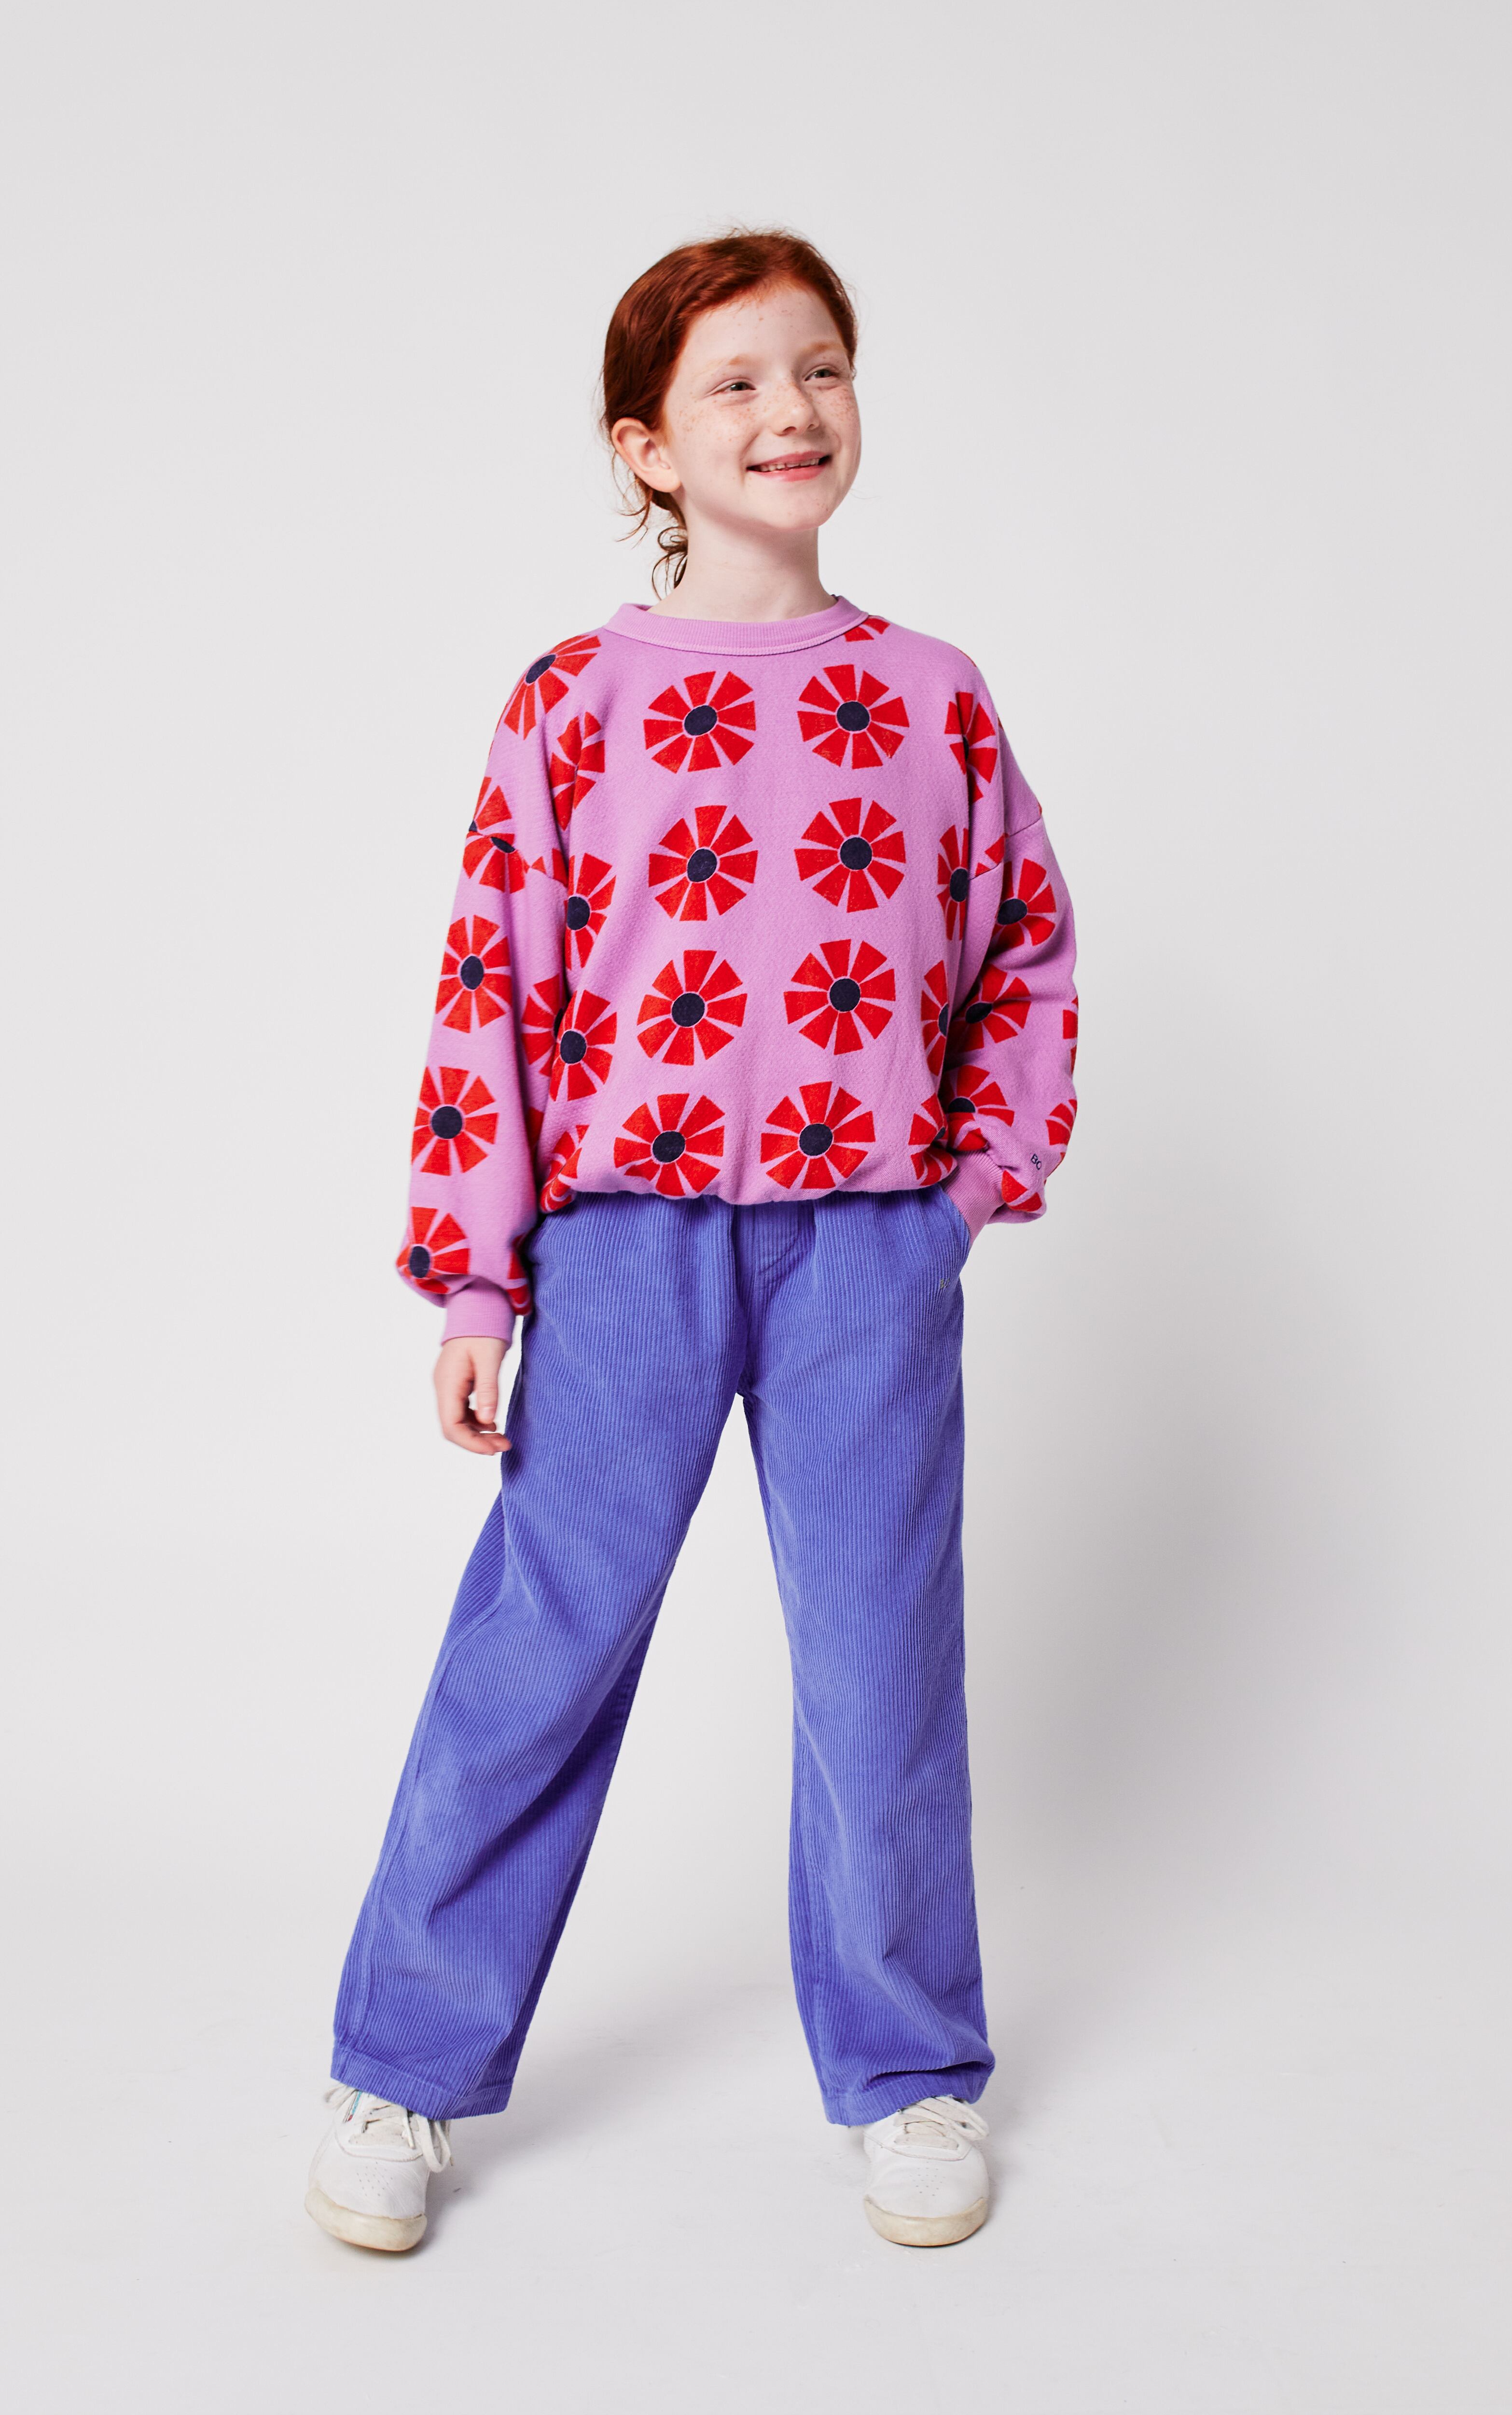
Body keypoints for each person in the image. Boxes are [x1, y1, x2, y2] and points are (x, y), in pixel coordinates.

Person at [305, 230, 1079, 2254]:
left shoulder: (931, 697)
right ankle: (402, 2062)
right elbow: (495, 988)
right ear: (646, 445)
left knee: (882, 1658)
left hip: (866, 1247)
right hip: (623, 1241)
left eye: (820, 367)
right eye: (734, 381)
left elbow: (1025, 954)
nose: (789, 410)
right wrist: (478, 1274)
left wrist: (960, 1195)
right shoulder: (571, 702)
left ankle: (909, 2071)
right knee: (538, 1651)